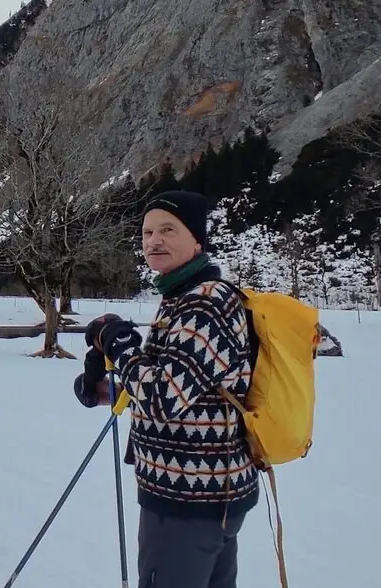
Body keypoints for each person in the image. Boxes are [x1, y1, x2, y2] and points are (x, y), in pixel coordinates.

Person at [73, 189, 258, 588]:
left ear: (197, 239)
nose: (153, 240)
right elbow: (192, 389)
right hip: (203, 495)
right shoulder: (184, 297)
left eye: (168, 230)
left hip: (188, 500)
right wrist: (109, 388)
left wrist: (121, 344)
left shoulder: (204, 305)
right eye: (147, 232)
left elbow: (162, 397)